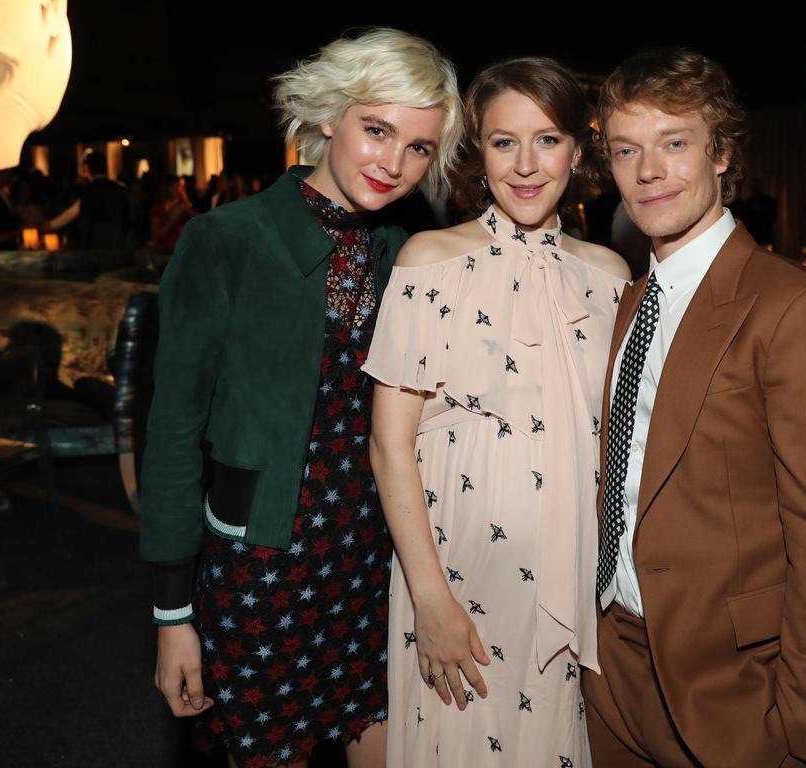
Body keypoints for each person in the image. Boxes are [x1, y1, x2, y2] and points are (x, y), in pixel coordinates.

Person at [139, 28, 462, 768]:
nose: (394, 163)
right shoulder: (226, 240)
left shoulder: (409, 246)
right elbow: (172, 436)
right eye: (376, 130)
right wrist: (172, 615)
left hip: (375, 563)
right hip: (264, 568)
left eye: (418, 147)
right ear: (327, 116)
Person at [582, 47, 806, 767]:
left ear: (722, 154)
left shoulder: (803, 313)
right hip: (607, 669)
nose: (648, 171)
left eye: (674, 144)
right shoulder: (624, 300)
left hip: (729, 693)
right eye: (627, 150)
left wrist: (799, 735)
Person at [363, 57, 630, 767]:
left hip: (574, 587)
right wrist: (432, 600)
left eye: (547, 139)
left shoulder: (610, 277)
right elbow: (390, 447)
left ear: (578, 149)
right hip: (459, 585)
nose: (525, 164)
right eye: (504, 141)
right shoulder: (429, 260)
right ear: (479, 154)